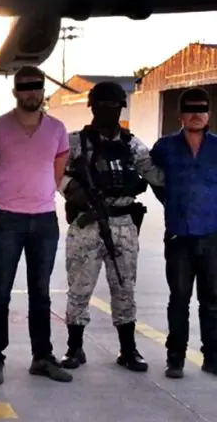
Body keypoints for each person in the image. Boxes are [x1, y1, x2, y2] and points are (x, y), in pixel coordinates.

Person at [0, 65, 72, 384]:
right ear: (15, 91)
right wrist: (1, 203)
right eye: (25, 87)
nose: (31, 92)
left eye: (37, 86)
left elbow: (57, 173)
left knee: (41, 293)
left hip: (45, 222)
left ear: (43, 91)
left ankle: (42, 357)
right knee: (0, 291)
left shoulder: (57, 129)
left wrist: (39, 198)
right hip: (8, 222)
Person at [58, 81, 163, 373]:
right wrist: (71, 188)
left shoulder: (133, 145)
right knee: (79, 288)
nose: (109, 111)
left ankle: (128, 350)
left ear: (121, 108)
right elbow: (53, 173)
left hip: (123, 224)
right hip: (87, 225)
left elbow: (155, 175)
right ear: (92, 107)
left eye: (114, 106)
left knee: (124, 288)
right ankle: (74, 348)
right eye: (103, 106)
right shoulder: (75, 143)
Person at [150, 87, 217, 379]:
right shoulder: (164, 147)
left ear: (209, 113)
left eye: (202, 109)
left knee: (212, 300)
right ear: (180, 114)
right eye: (190, 109)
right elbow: (153, 177)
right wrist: (172, 202)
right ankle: (175, 358)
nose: (196, 114)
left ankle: (213, 357)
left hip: (212, 237)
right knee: (178, 299)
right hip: (178, 236)